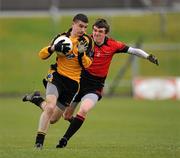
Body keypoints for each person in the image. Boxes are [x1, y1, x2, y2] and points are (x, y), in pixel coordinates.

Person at [23, 18, 158, 148]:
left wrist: (148, 56)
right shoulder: (86, 41)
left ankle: (64, 139)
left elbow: (133, 50)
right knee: (60, 117)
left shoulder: (113, 45)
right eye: (94, 30)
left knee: (84, 109)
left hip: (95, 86)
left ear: (106, 33)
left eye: (100, 31)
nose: (96, 34)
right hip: (79, 83)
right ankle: (37, 99)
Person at [23, 13, 94, 149]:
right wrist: (53, 48)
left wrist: (81, 54)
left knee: (53, 118)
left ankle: (37, 99)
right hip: (57, 76)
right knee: (50, 106)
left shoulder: (87, 41)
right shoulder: (60, 38)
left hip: (72, 84)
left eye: (85, 27)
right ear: (73, 24)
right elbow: (42, 55)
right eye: (80, 26)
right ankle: (39, 143)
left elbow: (88, 64)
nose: (83, 30)